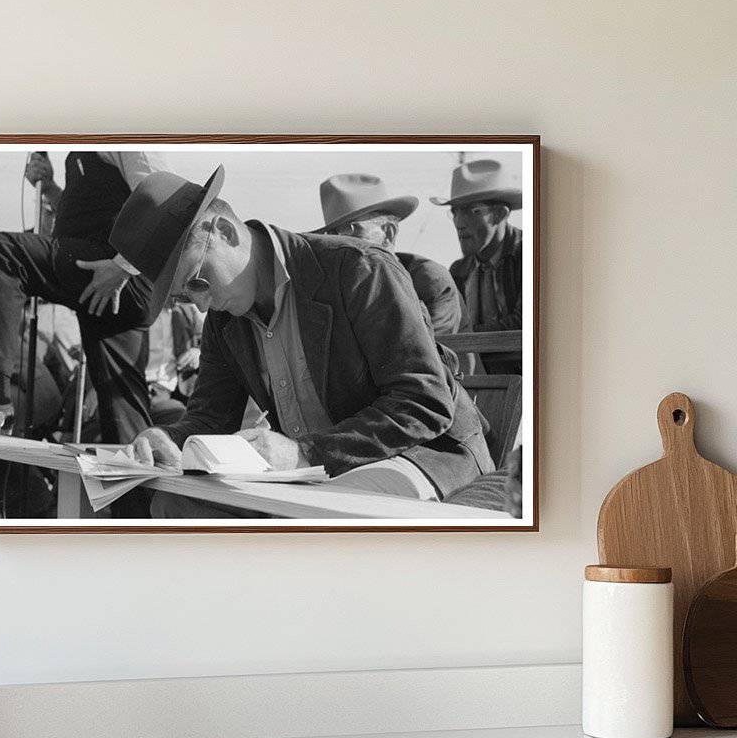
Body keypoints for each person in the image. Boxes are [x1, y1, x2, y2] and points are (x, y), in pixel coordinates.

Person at [106, 166, 494, 519]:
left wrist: (305, 451)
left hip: (423, 454)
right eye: (185, 297)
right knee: (173, 503)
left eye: (197, 281)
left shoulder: (360, 269)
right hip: (312, 476)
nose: (202, 304)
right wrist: (166, 437)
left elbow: (424, 402)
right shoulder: (225, 318)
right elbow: (210, 419)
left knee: (314, 517)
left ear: (223, 231)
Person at [0, 149, 170, 444]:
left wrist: (123, 267)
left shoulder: (125, 134)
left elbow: (164, 202)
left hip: (116, 275)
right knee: (124, 416)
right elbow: (90, 216)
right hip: (111, 284)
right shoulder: (91, 147)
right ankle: (137, 483)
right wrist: (53, 190)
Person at [316, 174, 463, 335]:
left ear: (388, 233)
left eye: (352, 230)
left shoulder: (429, 281)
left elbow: (430, 353)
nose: (340, 243)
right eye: (331, 234)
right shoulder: (334, 291)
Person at [431, 158, 524, 373]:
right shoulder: (459, 271)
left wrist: (463, 336)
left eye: (473, 211)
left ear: (500, 214)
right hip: (482, 383)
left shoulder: (530, 257)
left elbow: (524, 325)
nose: (459, 222)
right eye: (455, 211)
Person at [146, 303, 204, 427]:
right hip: (133, 388)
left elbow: (206, 343)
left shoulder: (187, 312)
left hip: (167, 393)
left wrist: (197, 352)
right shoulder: (140, 308)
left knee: (182, 417)